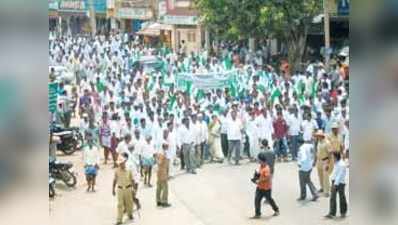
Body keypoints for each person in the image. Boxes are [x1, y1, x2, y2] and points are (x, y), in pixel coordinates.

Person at [250, 152, 280, 219]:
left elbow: (267, 178)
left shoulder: (266, 168)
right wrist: (256, 177)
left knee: (269, 200)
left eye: (259, 160)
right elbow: (259, 175)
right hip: (260, 187)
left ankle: (276, 210)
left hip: (266, 188)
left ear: (262, 160)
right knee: (257, 200)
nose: (258, 161)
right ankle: (257, 214)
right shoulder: (261, 166)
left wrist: (259, 180)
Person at [112, 154, 134, 225]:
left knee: (129, 203)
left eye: (122, 163)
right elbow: (114, 180)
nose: (121, 164)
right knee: (120, 205)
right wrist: (113, 189)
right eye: (120, 163)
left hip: (128, 188)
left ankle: (130, 214)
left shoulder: (129, 170)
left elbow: (132, 180)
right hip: (120, 189)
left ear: (124, 162)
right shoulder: (117, 171)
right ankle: (119, 219)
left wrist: (133, 189)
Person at [325, 152, 348, 219]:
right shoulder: (336, 163)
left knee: (342, 198)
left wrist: (334, 184)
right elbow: (334, 174)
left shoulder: (342, 164)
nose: (332, 158)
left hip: (340, 183)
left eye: (333, 157)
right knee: (332, 198)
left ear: (336, 157)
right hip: (334, 182)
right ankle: (332, 213)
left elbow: (339, 176)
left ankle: (343, 212)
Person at [314, 129, 333, 197]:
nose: (317, 137)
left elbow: (330, 154)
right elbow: (317, 152)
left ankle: (327, 191)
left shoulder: (327, 143)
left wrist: (328, 163)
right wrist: (315, 161)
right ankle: (322, 187)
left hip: (325, 160)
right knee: (320, 175)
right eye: (317, 136)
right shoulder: (319, 142)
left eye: (318, 136)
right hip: (319, 161)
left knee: (326, 177)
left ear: (322, 136)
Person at [156, 143, 171, 207]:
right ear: (165, 147)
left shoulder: (159, 153)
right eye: (167, 146)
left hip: (159, 172)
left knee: (159, 187)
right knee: (165, 187)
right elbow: (160, 162)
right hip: (163, 172)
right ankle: (164, 201)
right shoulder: (163, 154)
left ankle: (158, 200)